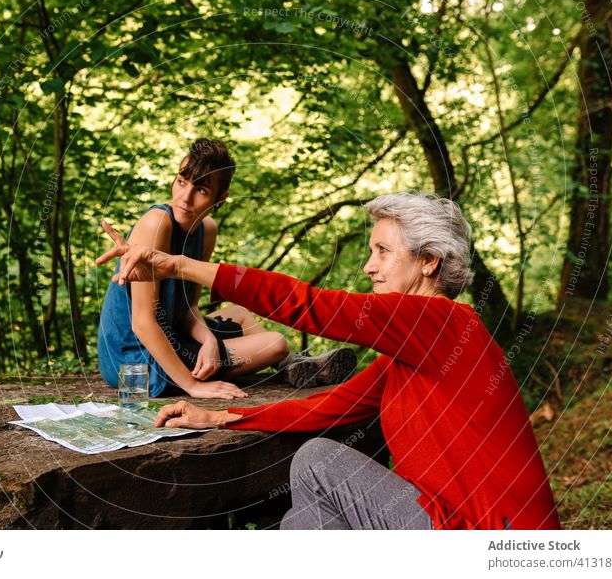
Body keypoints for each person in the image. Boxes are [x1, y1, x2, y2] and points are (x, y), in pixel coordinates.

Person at [96, 191, 561, 530]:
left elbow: (309, 305)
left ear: (430, 262)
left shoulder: (444, 324)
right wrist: (217, 417)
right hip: (443, 525)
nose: (369, 266)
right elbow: (326, 406)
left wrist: (176, 264)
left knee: (317, 461)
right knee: (307, 518)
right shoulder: (411, 356)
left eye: (382, 251)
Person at [97, 139, 356, 400]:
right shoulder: (156, 223)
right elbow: (142, 323)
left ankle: (292, 366)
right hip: (134, 360)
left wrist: (209, 341)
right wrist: (193, 385)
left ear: (220, 199)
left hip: (172, 334)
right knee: (275, 343)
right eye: (182, 181)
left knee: (239, 313)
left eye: (201, 190)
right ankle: (286, 360)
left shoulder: (207, 230)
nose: (184, 198)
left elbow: (188, 307)